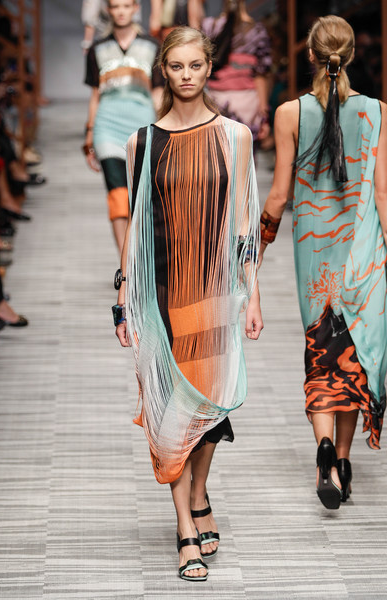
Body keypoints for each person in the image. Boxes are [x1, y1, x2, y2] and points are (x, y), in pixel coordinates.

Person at [113, 26, 263, 580]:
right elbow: (137, 226)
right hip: (162, 293)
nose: (186, 75)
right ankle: (185, 526)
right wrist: (123, 296)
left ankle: (199, 491)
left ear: (209, 67)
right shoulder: (142, 143)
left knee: (210, 403)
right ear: (164, 71)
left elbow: (243, 220)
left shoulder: (235, 136)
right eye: (176, 66)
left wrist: (253, 293)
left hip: (216, 289)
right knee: (170, 409)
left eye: (195, 65)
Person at [259, 15, 387, 510]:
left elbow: (278, 195)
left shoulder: (290, 113)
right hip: (364, 252)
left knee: (321, 348)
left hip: (315, 255)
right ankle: (345, 461)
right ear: (350, 56)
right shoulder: (377, 112)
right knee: (353, 352)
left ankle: (325, 450)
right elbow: (382, 193)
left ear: (310, 55)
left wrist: (258, 246)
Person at [83, 0, 163, 255]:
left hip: (143, 126)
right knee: (117, 194)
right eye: (116, 6)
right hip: (107, 126)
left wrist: (164, 127)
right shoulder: (97, 48)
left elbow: (158, 92)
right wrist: (89, 134)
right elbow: (95, 95)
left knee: (143, 194)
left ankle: (140, 254)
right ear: (108, 10)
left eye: (126, 6)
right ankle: (125, 261)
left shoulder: (153, 46)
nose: (121, 11)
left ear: (136, 8)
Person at [201, 0, 272, 147]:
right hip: (247, 104)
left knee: (216, 153)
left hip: (215, 101)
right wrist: (264, 116)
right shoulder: (256, 30)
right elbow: (261, 74)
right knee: (244, 155)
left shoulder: (209, 26)